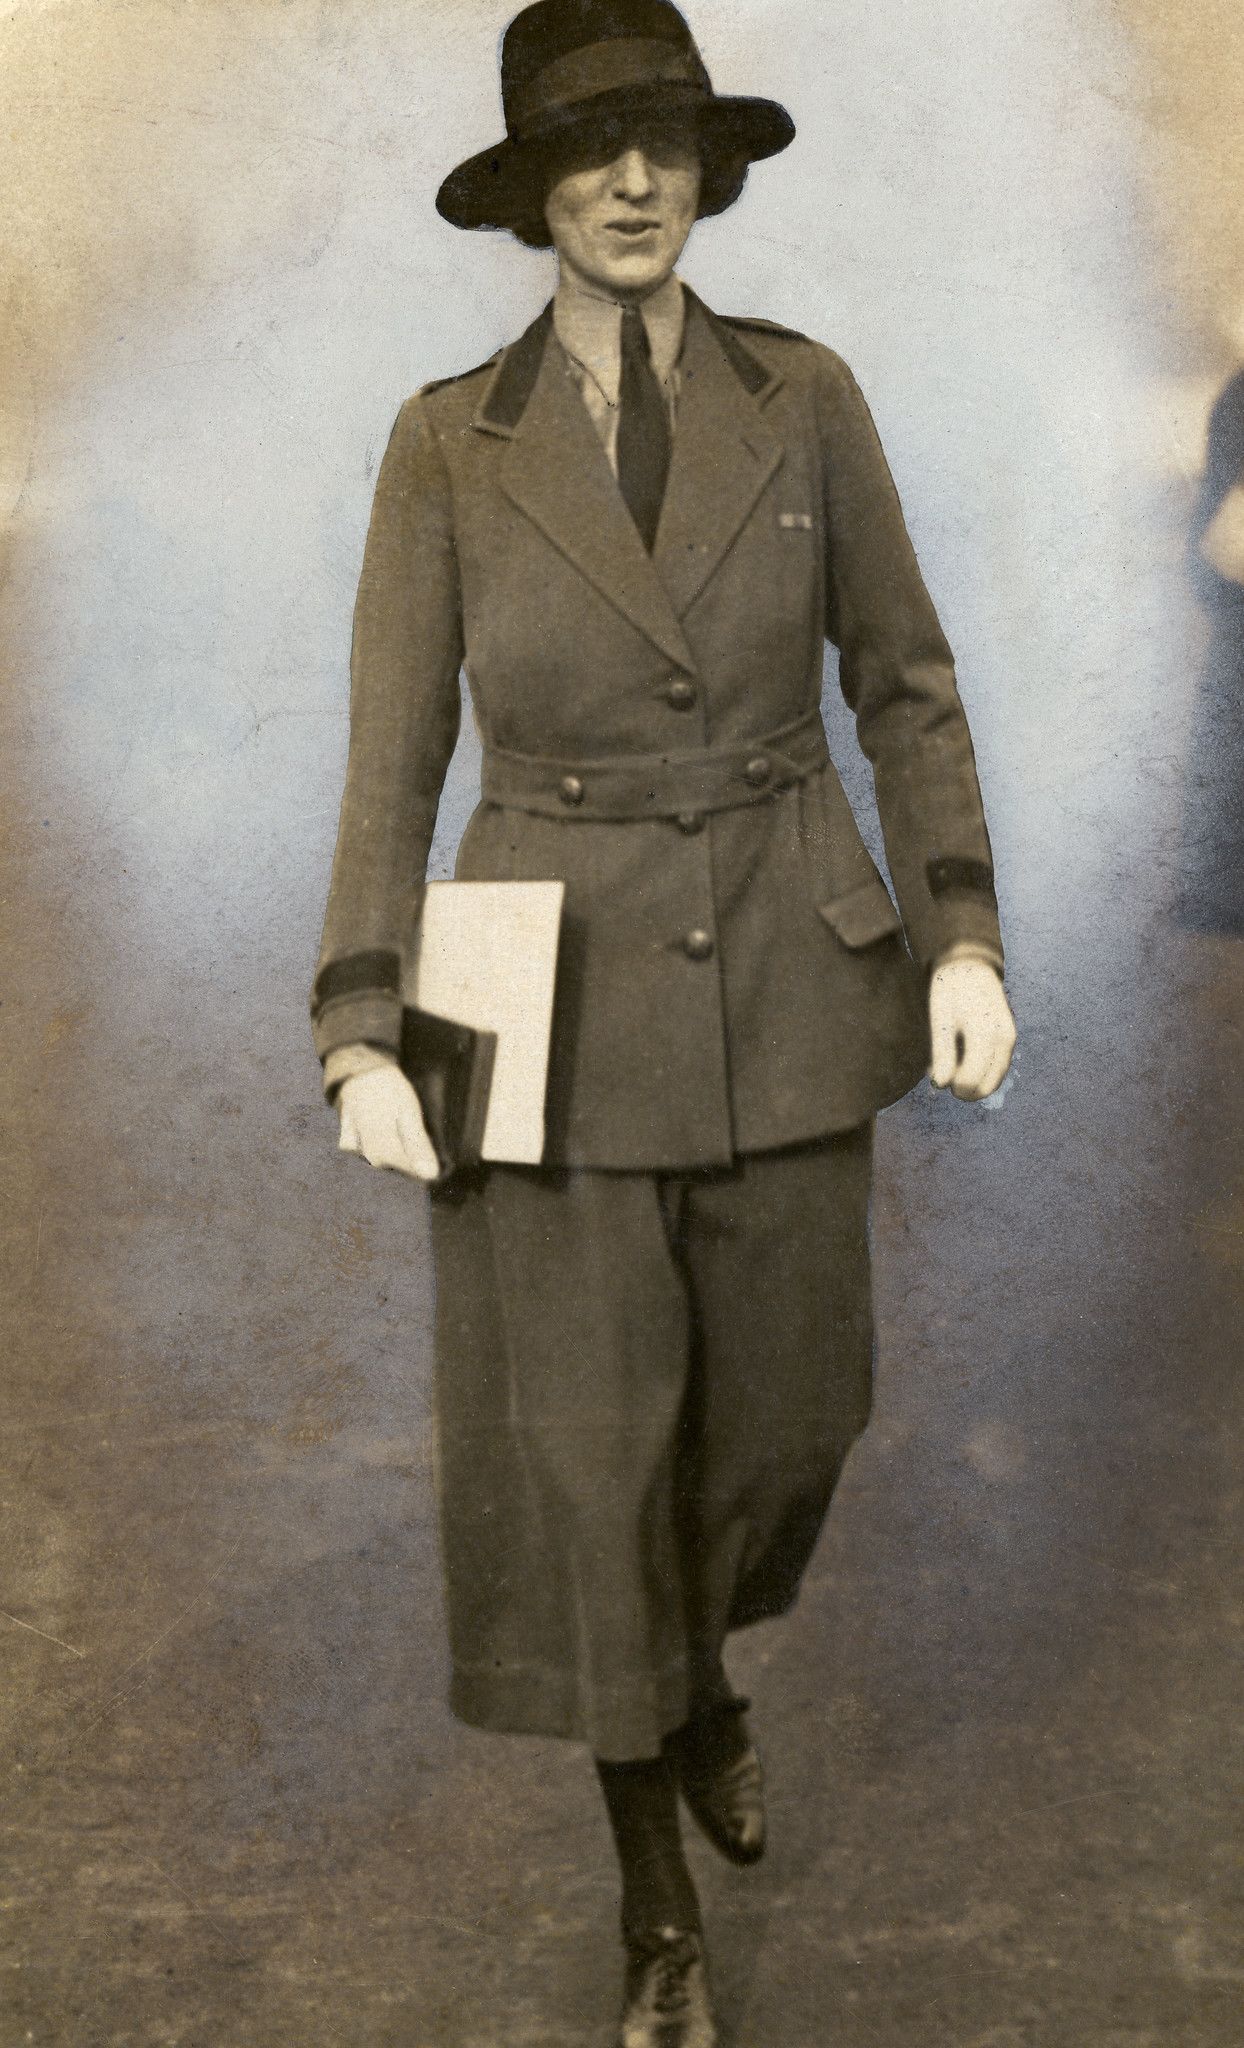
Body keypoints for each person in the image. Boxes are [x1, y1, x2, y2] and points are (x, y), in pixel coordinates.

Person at [310, 3, 1017, 2040]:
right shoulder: (449, 437)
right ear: (533, 189)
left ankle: (701, 1678)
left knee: (798, 1411)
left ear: (707, 176)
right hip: (529, 991)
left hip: (798, 960)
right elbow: (386, 753)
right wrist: (363, 1021)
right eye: (592, 147)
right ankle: (654, 1916)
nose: (632, 179)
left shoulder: (804, 400)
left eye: (667, 144)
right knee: (587, 1465)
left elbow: (907, 681)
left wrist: (961, 935)